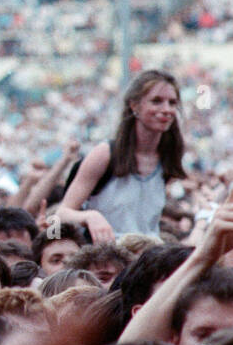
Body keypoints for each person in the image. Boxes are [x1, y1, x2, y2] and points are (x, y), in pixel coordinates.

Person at [59, 69, 186, 241]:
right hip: (107, 256)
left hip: (147, 256)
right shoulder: (105, 154)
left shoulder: (167, 157)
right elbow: (62, 213)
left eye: (172, 103)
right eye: (156, 101)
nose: (166, 109)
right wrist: (90, 217)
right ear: (134, 105)